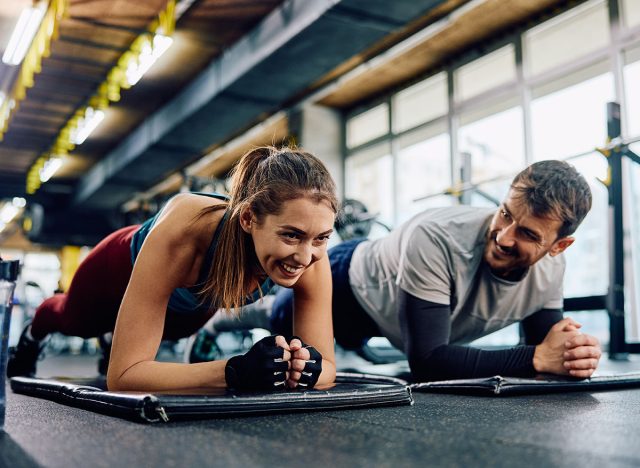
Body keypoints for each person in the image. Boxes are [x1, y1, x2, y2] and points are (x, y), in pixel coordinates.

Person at [8, 146, 338, 392]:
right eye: (291, 235)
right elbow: (123, 378)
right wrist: (236, 371)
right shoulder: (186, 228)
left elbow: (327, 370)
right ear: (249, 218)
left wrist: (300, 368)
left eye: (321, 237)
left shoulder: (311, 258)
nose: (305, 256)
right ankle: (33, 334)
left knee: (174, 332)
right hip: (116, 270)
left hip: (187, 306)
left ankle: (117, 336)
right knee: (73, 320)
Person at [271, 159, 602, 381]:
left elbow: (547, 353)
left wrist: (574, 355)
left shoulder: (551, 270)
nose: (503, 236)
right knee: (272, 317)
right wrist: (538, 358)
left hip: (392, 321)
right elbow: (428, 362)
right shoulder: (437, 237)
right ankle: (219, 326)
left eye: (528, 234)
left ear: (558, 246)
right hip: (347, 286)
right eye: (505, 214)